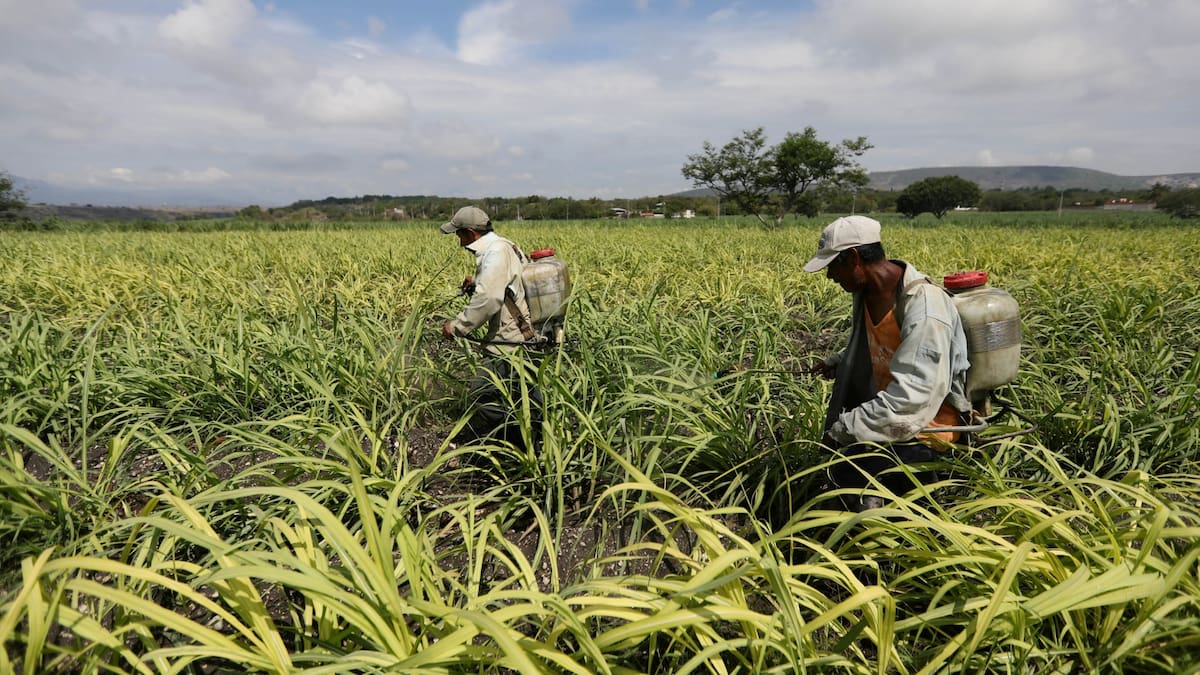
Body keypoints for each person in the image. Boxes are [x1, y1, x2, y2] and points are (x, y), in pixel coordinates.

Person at [803, 215, 970, 511]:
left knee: (852, 489)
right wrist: (841, 361)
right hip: (890, 419)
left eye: (832, 266)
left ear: (854, 258)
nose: (830, 276)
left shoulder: (926, 309)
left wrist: (843, 429)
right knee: (841, 481)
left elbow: (912, 398)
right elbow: (886, 346)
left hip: (926, 429)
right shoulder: (869, 294)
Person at [439, 205, 543, 451]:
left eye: (458, 234)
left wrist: (457, 327)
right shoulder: (506, 245)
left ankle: (514, 446)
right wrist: (477, 281)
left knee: (484, 392)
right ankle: (534, 441)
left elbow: (489, 300)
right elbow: (509, 280)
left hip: (510, 338)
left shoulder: (495, 253)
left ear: (470, 233)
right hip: (526, 332)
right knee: (526, 393)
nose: (458, 241)